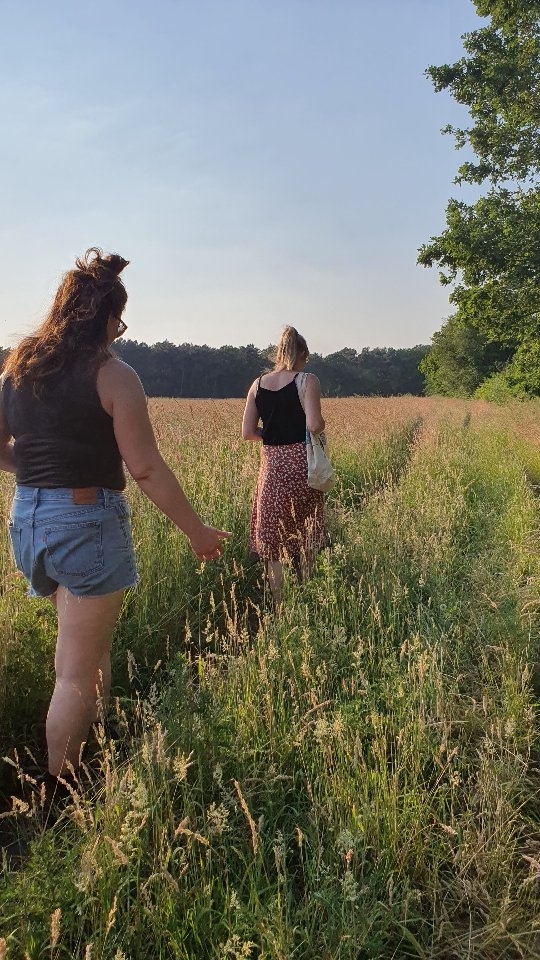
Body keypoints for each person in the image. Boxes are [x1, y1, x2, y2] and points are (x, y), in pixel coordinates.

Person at [0, 248, 229, 791]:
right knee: (75, 672)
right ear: (104, 317)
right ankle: (61, 795)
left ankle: (96, 745)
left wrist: (36, 478)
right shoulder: (112, 375)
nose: (118, 333)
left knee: (86, 646)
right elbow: (145, 468)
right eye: (118, 323)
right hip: (84, 521)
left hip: (29, 519)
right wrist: (195, 531)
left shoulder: (16, 369)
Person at [242, 325, 327, 606]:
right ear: (301, 354)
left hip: (272, 467)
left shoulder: (257, 384)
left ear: (278, 353)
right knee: (306, 530)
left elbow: (247, 432)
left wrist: (274, 435)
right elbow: (314, 424)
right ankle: (307, 596)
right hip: (303, 464)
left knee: (273, 539)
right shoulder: (307, 380)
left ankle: (279, 606)